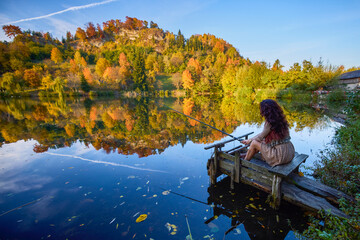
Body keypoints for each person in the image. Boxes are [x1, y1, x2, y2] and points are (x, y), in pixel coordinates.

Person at [241, 99, 295, 166]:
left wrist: (249, 141)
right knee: (261, 142)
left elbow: (260, 137)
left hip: (280, 157)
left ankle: (244, 163)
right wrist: (249, 140)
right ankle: (247, 154)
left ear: (265, 111)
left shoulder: (270, 123)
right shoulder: (281, 120)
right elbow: (262, 135)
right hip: (289, 153)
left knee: (254, 143)